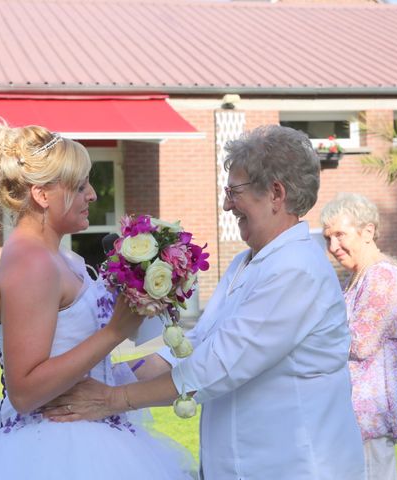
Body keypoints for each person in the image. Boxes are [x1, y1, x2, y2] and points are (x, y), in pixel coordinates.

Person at [45, 125, 366, 479]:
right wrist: (113, 374)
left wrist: (112, 399)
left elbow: (220, 365)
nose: (227, 204)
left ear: (276, 193)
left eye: (234, 191)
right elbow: (199, 342)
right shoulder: (247, 262)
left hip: (296, 465)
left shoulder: (296, 270)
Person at [0, 119, 193, 479]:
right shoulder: (30, 264)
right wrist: (114, 332)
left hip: (92, 431)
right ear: (42, 194)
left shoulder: (64, 258)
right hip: (54, 449)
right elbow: (24, 391)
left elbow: (85, 365)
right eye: (81, 185)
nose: (93, 195)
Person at [321, 192, 397, 480]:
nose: (333, 246)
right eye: (328, 238)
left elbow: (360, 342)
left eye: (340, 235)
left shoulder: (382, 277)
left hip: (370, 416)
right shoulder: (356, 278)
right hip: (352, 415)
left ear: (368, 232)